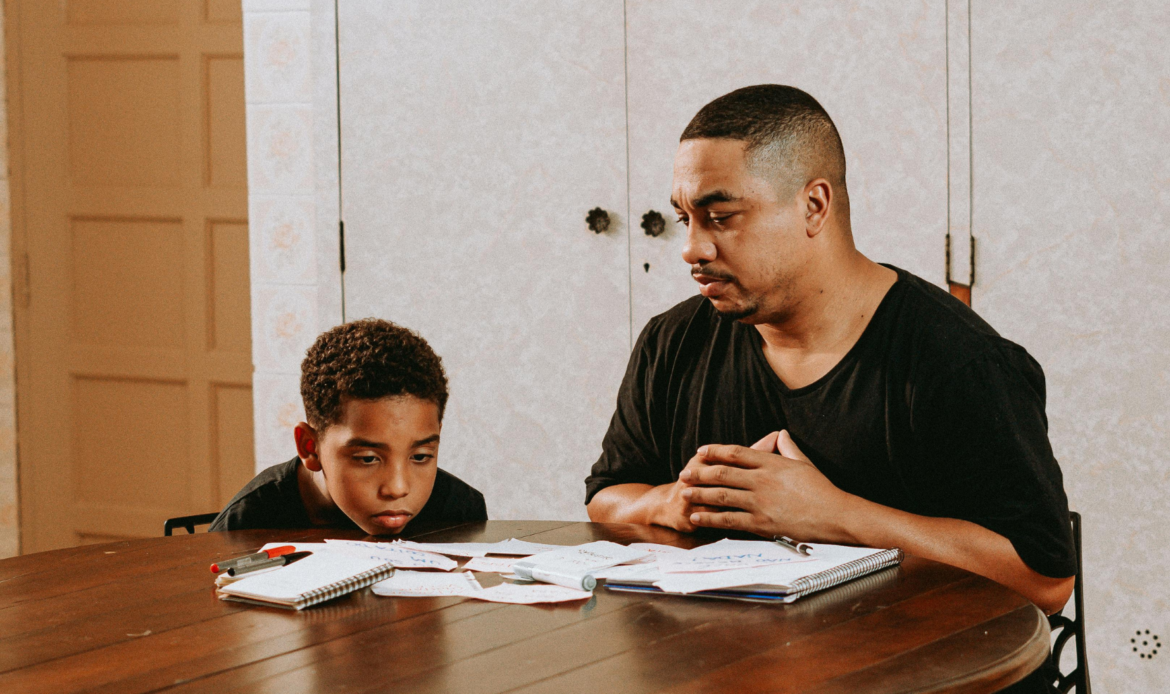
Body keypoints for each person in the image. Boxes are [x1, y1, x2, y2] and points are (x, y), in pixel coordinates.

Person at [584, 85, 1076, 622]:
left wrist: (834, 515)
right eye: (685, 219)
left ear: (813, 206)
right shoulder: (672, 342)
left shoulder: (959, 362)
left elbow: (1045, 580)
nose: (692, 248)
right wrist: (671, 502)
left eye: (720, 216)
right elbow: (609, 496)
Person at [211, 318, 486, 534]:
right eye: (368, 459)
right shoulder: (245, 525)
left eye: (421, 457)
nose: (397, 488)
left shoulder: (461, 513)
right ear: (310, 447)